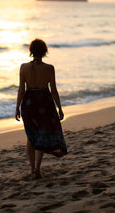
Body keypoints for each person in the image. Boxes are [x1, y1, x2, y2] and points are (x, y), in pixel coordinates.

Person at [15, 38, 67, 179]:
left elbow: (21, 90)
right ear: (45, 52)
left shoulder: (23, 67)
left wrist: (17, 108)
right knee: (41, 135)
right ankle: (37, 168)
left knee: (31, 137)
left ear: (31, 51)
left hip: (29, 103)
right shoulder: (49, 68)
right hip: (44, 103)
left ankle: (32, 169)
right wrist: (60, 108)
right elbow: (54, 91)